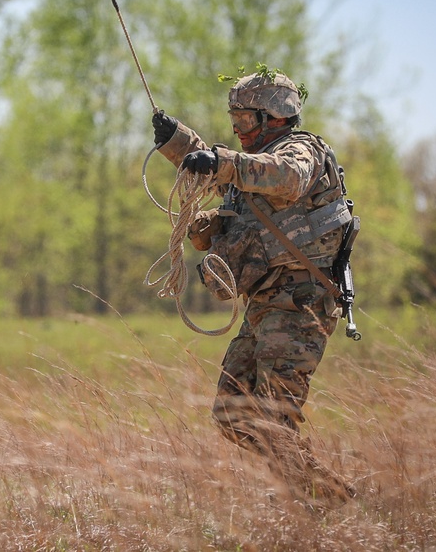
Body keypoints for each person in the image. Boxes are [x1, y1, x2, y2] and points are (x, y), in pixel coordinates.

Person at [151, 69, 356, 504]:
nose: (236, 129)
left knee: (273, 418)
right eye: (234, 119)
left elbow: (284, 177)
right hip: (264, 304)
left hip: (300, 303)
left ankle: (322, 506)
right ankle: (327, 496)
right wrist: (176, 140)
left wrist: (223, 161)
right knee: (232, 413)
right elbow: (216, 167)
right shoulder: (251, 163)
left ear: (274, 117)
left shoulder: (300, 151)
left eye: (244, 120)